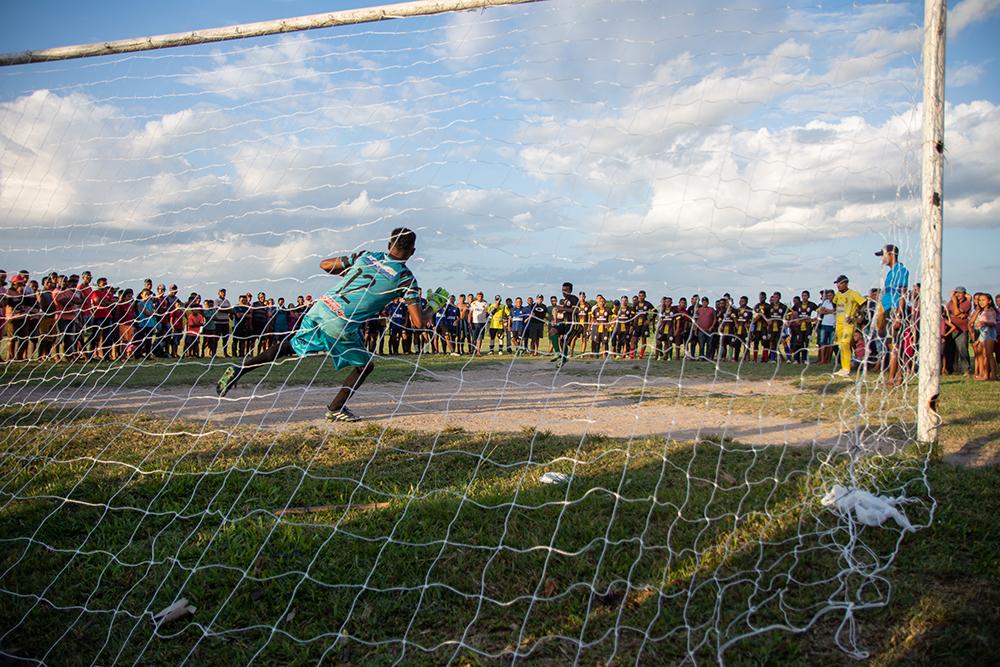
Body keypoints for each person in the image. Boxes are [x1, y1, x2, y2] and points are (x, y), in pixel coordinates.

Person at [216, 227, 446, 422]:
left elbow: (325, 265)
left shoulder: (366, 256)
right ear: (412, 252)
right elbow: (417, 322)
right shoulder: (406, 278)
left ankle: (239, 370)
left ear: (388, 244)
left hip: (321, 307)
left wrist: (349, 268)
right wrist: (435, 304)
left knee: (290, 346)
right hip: (342, 322)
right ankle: (335, 409)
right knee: (364, 367)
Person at [832, 275, 867, 377]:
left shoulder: (853, 294)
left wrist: (856, 315)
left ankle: (847, 368)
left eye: (840, 283)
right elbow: (835, 304)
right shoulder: (837, 295)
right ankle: (844, 367)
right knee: (841, 346)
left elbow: (864, 304)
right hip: (839, 324)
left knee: (845, 343)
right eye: (837, 284)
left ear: (846, 283)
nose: (838, 286)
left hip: (848, 324)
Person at [549, 282, 579, 368]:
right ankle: (558, 353)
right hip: (565, 324)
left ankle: (564, 358)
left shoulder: (574, 299)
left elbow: (576, 311)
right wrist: (555, 320)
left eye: (566, 290)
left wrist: (561, 308)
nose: (564, 292)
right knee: (553, 331)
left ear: (571, 290)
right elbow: (563, 313)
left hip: (573, 325)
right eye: (563, 290)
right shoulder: (564, 301)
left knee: (563, 341)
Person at [969, 292, 996, 381]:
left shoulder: (990, 310)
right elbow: (971, 321)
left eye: (983, 300)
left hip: (989, 333)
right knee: (982, 354)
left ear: (989, 301)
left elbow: (993, 323)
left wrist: (984, 322)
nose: (981, 302)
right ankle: (984, 374)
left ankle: (992, 375)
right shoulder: (981, 311)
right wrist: (977, 311)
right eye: (979, 300)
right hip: (982, 333)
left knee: (988, 355)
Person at [945, 287, 972, 375]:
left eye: (961, 293)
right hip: (950, 329)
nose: (959, 295)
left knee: (962, 349)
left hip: (961, 329)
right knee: (949, 349)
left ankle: (966, 369)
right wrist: (958, 313)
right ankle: (949, 369)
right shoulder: (950, 302)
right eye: (957, 293)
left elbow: (956, 313)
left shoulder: (967, 303)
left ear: (964, 294)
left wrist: (955, 304)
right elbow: (948, 313)